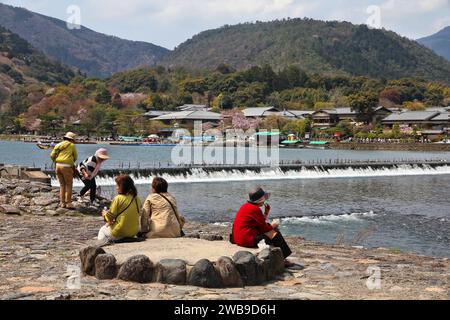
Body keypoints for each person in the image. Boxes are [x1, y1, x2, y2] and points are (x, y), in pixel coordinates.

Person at [231, 187, 297, 268]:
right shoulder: (255, 209)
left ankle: (277, 255)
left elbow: (259, 223)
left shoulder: (246, 206)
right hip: (247, 240)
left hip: (238, 239)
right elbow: (264, 228)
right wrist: (273, 225)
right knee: (275, 233)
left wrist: (266, 213)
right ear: (261, 200)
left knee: (271, 231)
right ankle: (283, 259)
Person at [98, 175, 141, 241]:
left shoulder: (118, 198)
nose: (116, 188)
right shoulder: (137, 198)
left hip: (120, 231)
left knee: (102, 230)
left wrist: (104, 214)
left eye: (118, 186)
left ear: (123, 187)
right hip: (133, 231)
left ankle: (102, 243)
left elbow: (110, 217)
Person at [50, 132, 78, 209]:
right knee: (69, 184)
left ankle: (62, 203)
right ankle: (68, 203)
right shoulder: (72, 145)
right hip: (67, 166)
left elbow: (52, 155)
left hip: (58, 165)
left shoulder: (58, 145)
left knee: (62, 185)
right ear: (72, 139)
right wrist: (71, 161)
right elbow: (75, 156)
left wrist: (56, 161)